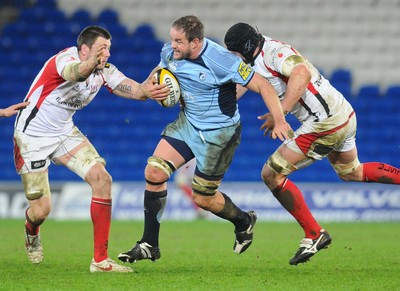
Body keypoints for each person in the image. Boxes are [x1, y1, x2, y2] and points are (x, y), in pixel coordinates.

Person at [118, 15, 293, 264]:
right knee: (154, 172)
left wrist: (280, 119)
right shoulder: (170, 52)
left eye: (179, 41)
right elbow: (159, 73)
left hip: (219, 135)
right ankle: (149, 244)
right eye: (172, 39)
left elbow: (263, 85)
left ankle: (243, 221)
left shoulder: (222, 60)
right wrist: (148, 89)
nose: (173, 45)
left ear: (196, 42)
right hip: (187, 124)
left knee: (202, 198)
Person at [224, 23, 400, 265]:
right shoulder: (256, 55)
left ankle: (314, 234)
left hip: (325, 122)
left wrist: (281, 113)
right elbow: (240, 85)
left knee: (271, 174)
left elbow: (302, 73)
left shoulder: (275, 53)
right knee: (352, 172)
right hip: (342, 114)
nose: (234, 58)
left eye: (234, 53)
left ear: (244, 48)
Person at [13, 25, 169, 272]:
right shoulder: (65, 58)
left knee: (102, 179)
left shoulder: (104, 71)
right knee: (42, 211)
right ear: (84, 49)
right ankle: (31, 230)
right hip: (32, 137)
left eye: (109, 48)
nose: (106, 54)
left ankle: (100, 260)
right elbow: (74, 73)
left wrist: (148, 90)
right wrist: (92, 64)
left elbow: (135, 90)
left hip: (65, 133)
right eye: (101, 49)